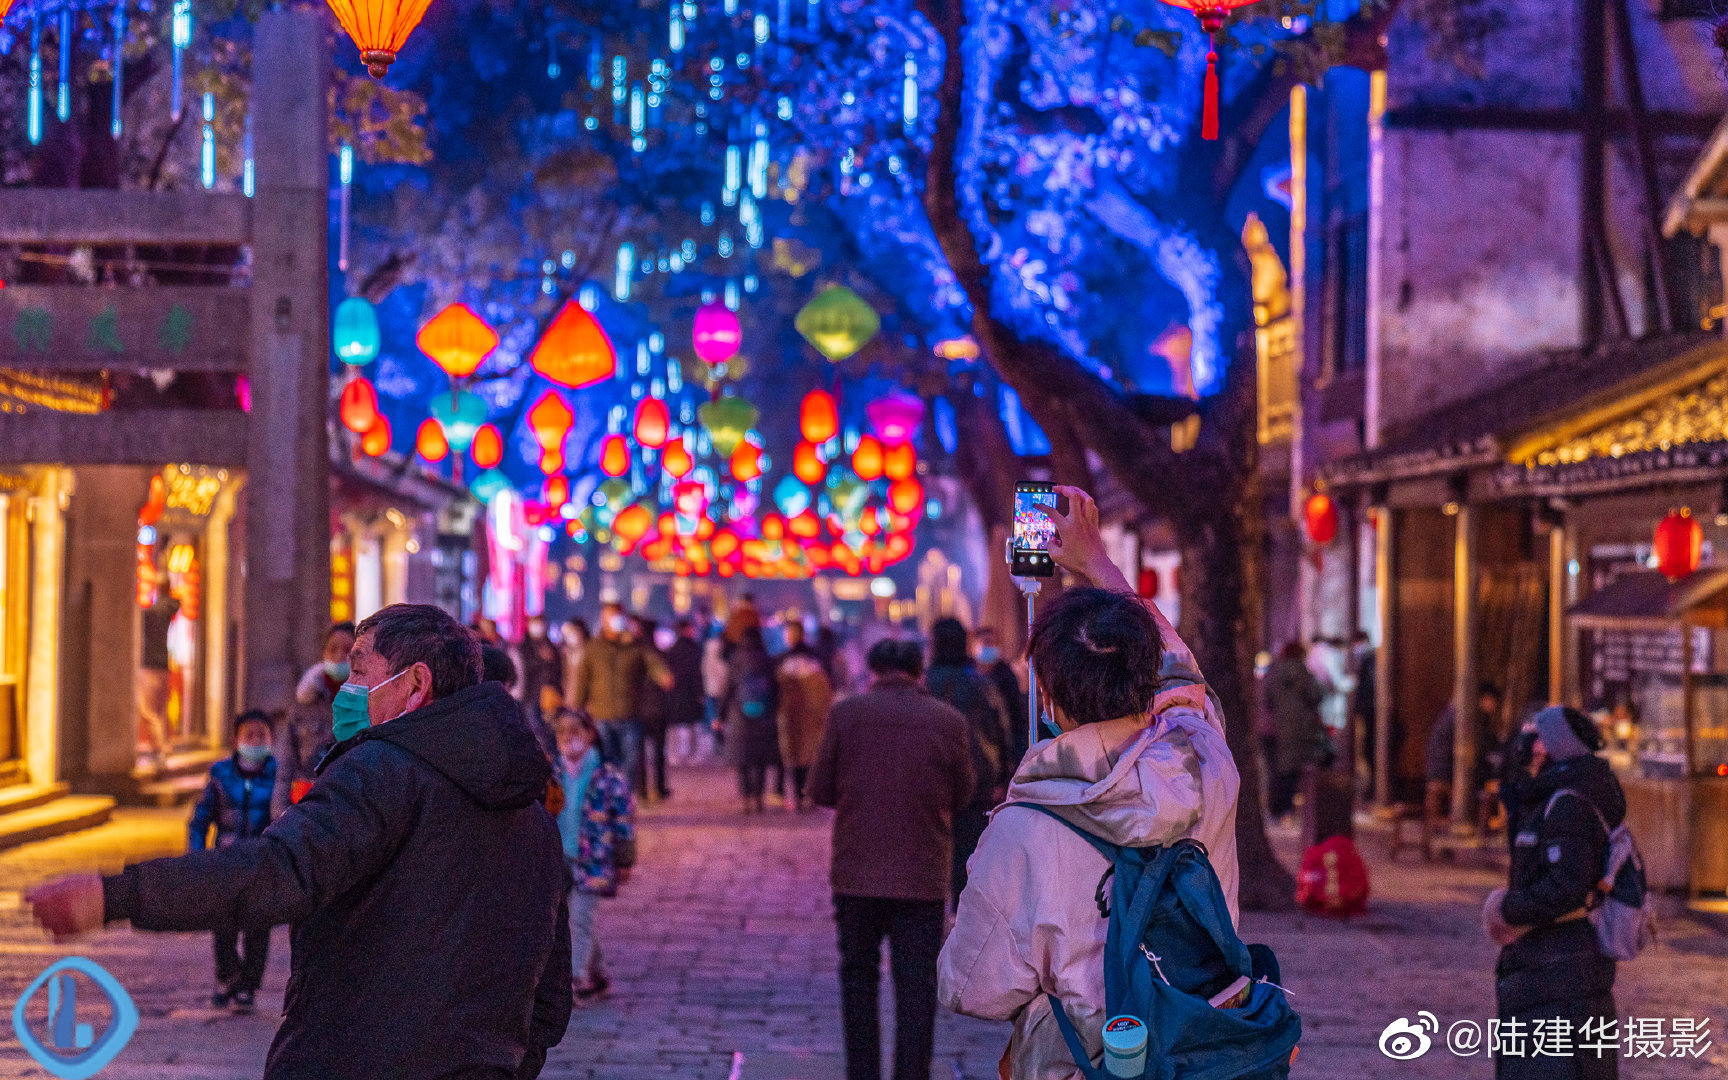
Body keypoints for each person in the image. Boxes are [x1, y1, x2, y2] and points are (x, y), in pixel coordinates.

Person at [27, 603, 572, 1080]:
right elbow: (549, 997)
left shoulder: (384, 772)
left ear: (415, 685)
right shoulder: (529, 807)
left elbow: (276, 871)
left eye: (360, 673)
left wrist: (116, 895)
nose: (347, 689)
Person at [937, 487, 1241, 1080]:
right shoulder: (1206, 761)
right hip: (1203, 1052)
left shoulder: (1023, 829)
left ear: (1045, 697)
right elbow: (1181, 674)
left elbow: (971, 988)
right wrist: (1094, 560)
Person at [811, 639, 973, 1080]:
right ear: (920, 672)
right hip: (921, 875)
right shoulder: (947, 721)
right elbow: (964, 793)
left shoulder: (846, 715)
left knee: (858, 981)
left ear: (873, 671)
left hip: (856, 873)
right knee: (917, 989)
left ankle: (862, 1072)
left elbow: (819, 788)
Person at [1482, 706, 1623, 1080]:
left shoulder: (1568, 803)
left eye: (1535, 734)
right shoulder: (1550, 796)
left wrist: (1506, 910)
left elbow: (1567, 885)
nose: (1527, 744)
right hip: (1551, 971)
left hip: (1561, 971)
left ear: (1551, 746)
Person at [188, 709, 278, 1014]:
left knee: (258, 927)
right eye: (249, 735)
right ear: (236, 739)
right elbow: (200, 820)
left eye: (261, 735)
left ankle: (248, 986)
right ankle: (228, 977)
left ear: (272, 739)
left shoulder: (278, 775)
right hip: (225, 861)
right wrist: (198, 857)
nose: (255, 740)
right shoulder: (220, 775)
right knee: (223, 924)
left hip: (263, 863)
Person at [925, 618, 1013, 901]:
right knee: (970, 851)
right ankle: (963, 910)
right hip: (979, 781)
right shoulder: (980, 683)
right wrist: (1004, 776)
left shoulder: (924, 685)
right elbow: (1002, 731)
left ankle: (935, 902)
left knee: (931, 848)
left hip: (932, 782)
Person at [553, 709, 636, 1005]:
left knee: (581, 919)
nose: (569, 739)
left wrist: (624, 860)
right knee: (575, 919)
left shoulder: (608, 778)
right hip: (560, 859)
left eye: (575, 732)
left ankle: (574, 980)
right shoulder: (553, 776)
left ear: (590, 735)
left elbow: (623, 821)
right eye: (562, 733)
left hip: (594, 860)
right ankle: (598, 973)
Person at [572, 602, 670, 798]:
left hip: (630, 713)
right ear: (603, 620)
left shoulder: (636, 646)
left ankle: (624, 799)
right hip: (602, 714)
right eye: (611, 617)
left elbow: (653, 663)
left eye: (618, 617)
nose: (615, 621)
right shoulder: (593, 648)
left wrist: (663, 676)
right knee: (607, 762)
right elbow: (583, 679)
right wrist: (576, 708)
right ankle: (608, 799)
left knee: (631, 762)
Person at [273, 621, 355, 816]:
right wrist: (279, 813)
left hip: (348, 808)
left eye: (348, 650)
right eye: (333, 649)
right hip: (305, 807)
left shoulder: (367, 701)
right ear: (323, 653)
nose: (339, 656)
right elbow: (286, 763)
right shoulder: (305, 702)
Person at [1262, 641, 1327, 819]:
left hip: (1275, 728)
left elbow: (1267, 698)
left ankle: (1277, 808)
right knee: (1293, 770)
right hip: (1301, 729)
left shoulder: (1274, 673)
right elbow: (1317, 695)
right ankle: (1288, 809)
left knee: (1276, 770)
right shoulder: (1304, 674)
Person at [776, 620, 834, 812]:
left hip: (791, 717)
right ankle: (807, 795)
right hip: (810, 717)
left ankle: (799, 797)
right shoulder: (815, 661)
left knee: (793, 758)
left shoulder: (781, 662)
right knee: (809, 757)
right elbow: (825, 691)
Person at [722, 626, 782, 813]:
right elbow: (775, 690)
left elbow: (728, 689)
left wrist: (720, 715)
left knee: (743, 760)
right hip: (764, 716)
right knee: (760, 760)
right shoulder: (767, 660)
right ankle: (759, 799)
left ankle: (746, 799)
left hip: (740, 715)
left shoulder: (736, 660)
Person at [136, 590, 181, 774]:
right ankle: (162, 748)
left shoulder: (149, 615)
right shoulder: (166, 613)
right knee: (159, 710)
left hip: (149, 667)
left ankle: (160, 749)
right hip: (163, 665)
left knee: (149, 710)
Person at [973, 625, 1028, 764]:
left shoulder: (1006, 675)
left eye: (993, 643)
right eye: (986, 643)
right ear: (975, 645)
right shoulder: (968, 675)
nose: (990, 647)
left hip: (1003, 745)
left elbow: (1016, 714)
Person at [635, 617, 673, 801]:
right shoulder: (660, 653)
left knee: (640, 753)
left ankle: (641, 790)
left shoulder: (635, 653)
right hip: (659, 708)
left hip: (639, 709)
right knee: (659, 751)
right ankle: (659, 787)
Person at [664, 618, 709, 765]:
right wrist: (700, 692)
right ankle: (693, 754)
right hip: (689, 691)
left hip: (675, 690)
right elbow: (697, 673)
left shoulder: (672, 650)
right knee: (692, 723)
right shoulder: (693, 649)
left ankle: (673, 754)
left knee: (673, 724)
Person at [521, 616, 563, 724]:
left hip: (548, 693)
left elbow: (558, 670)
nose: (538, 628)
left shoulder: (551, 646)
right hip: (530, 693)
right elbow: (524, 667)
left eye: (541, 625)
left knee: (548, 726)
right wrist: (541, 659)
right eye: (535, 624)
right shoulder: (524, 646)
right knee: (533, 725)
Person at [559, 619, 590, 712]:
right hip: (570, 702)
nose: (572, 636)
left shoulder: (590, 652)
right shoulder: (566, 654)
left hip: (587, 702)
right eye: (569, 633)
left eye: (575, 632)